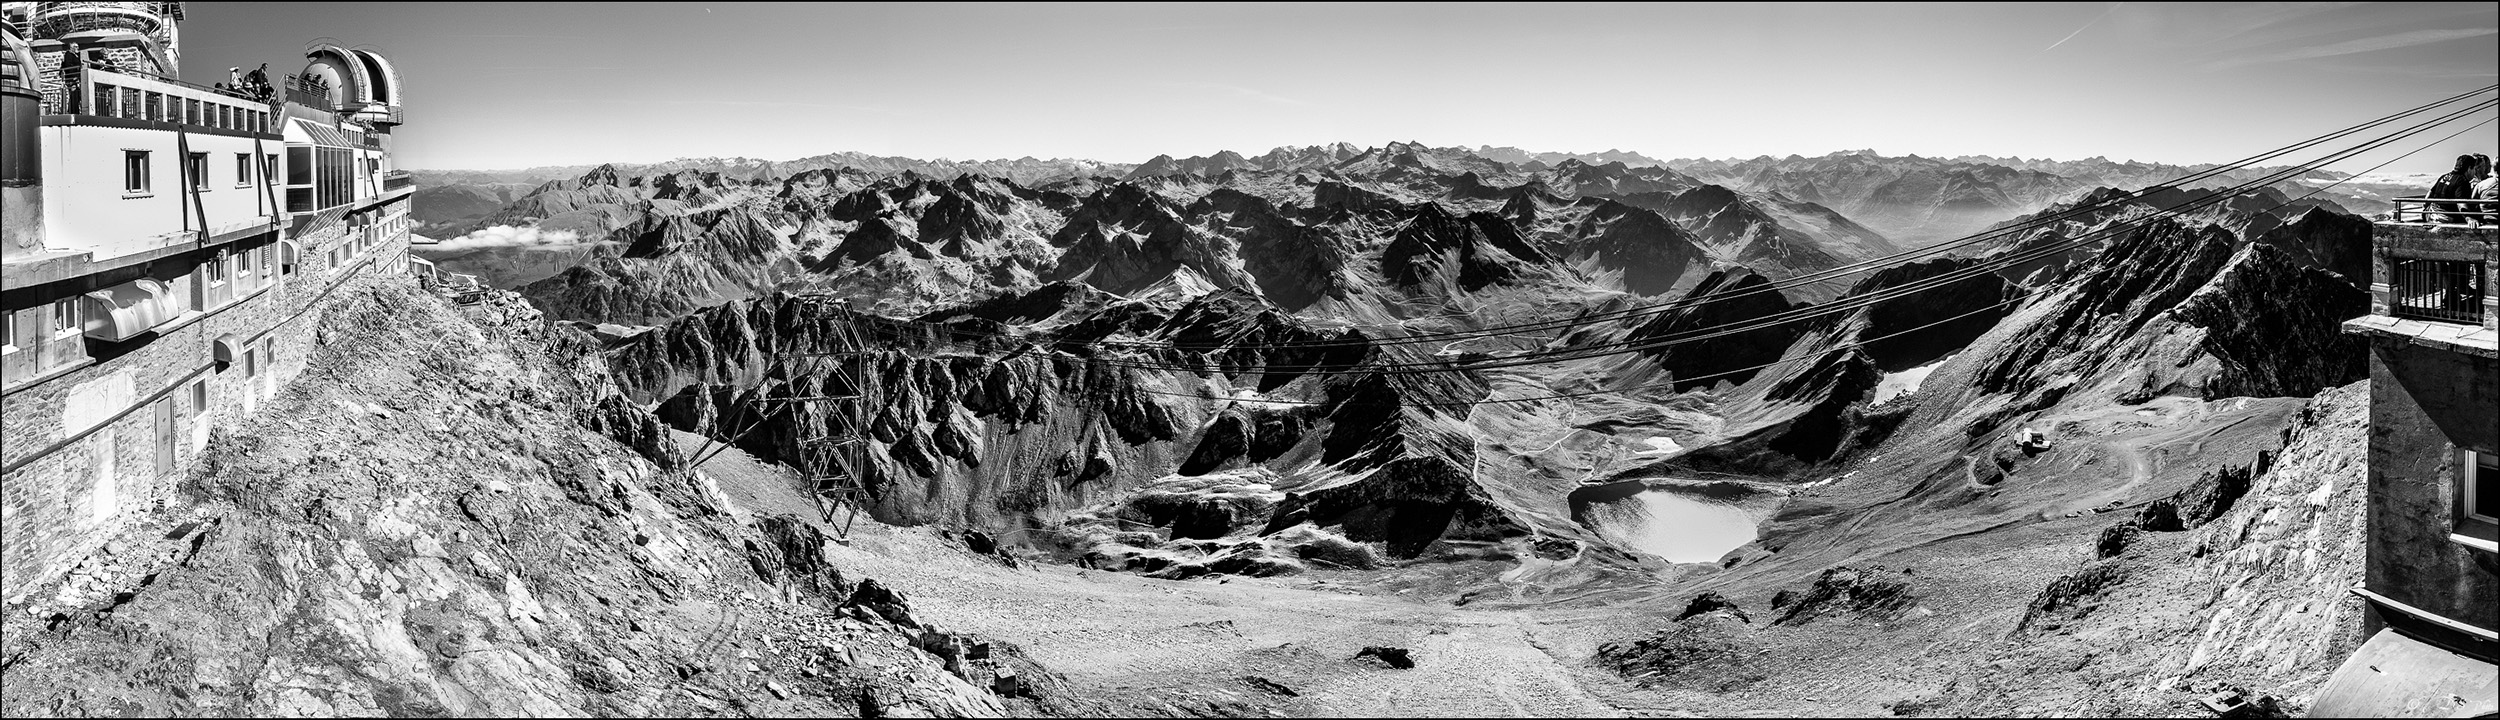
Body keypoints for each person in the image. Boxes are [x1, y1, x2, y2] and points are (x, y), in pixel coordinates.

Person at [2428, 154, 2478, 223]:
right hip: (2446, 219)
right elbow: (2461, 203)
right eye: (2474, 169)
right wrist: (2469, 218)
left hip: (2432, 217)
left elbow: (2429, 194)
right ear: (2469, 169)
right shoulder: (2462, 181)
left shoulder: (2444, 176)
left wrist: (2424, 210)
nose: (2475, 173)